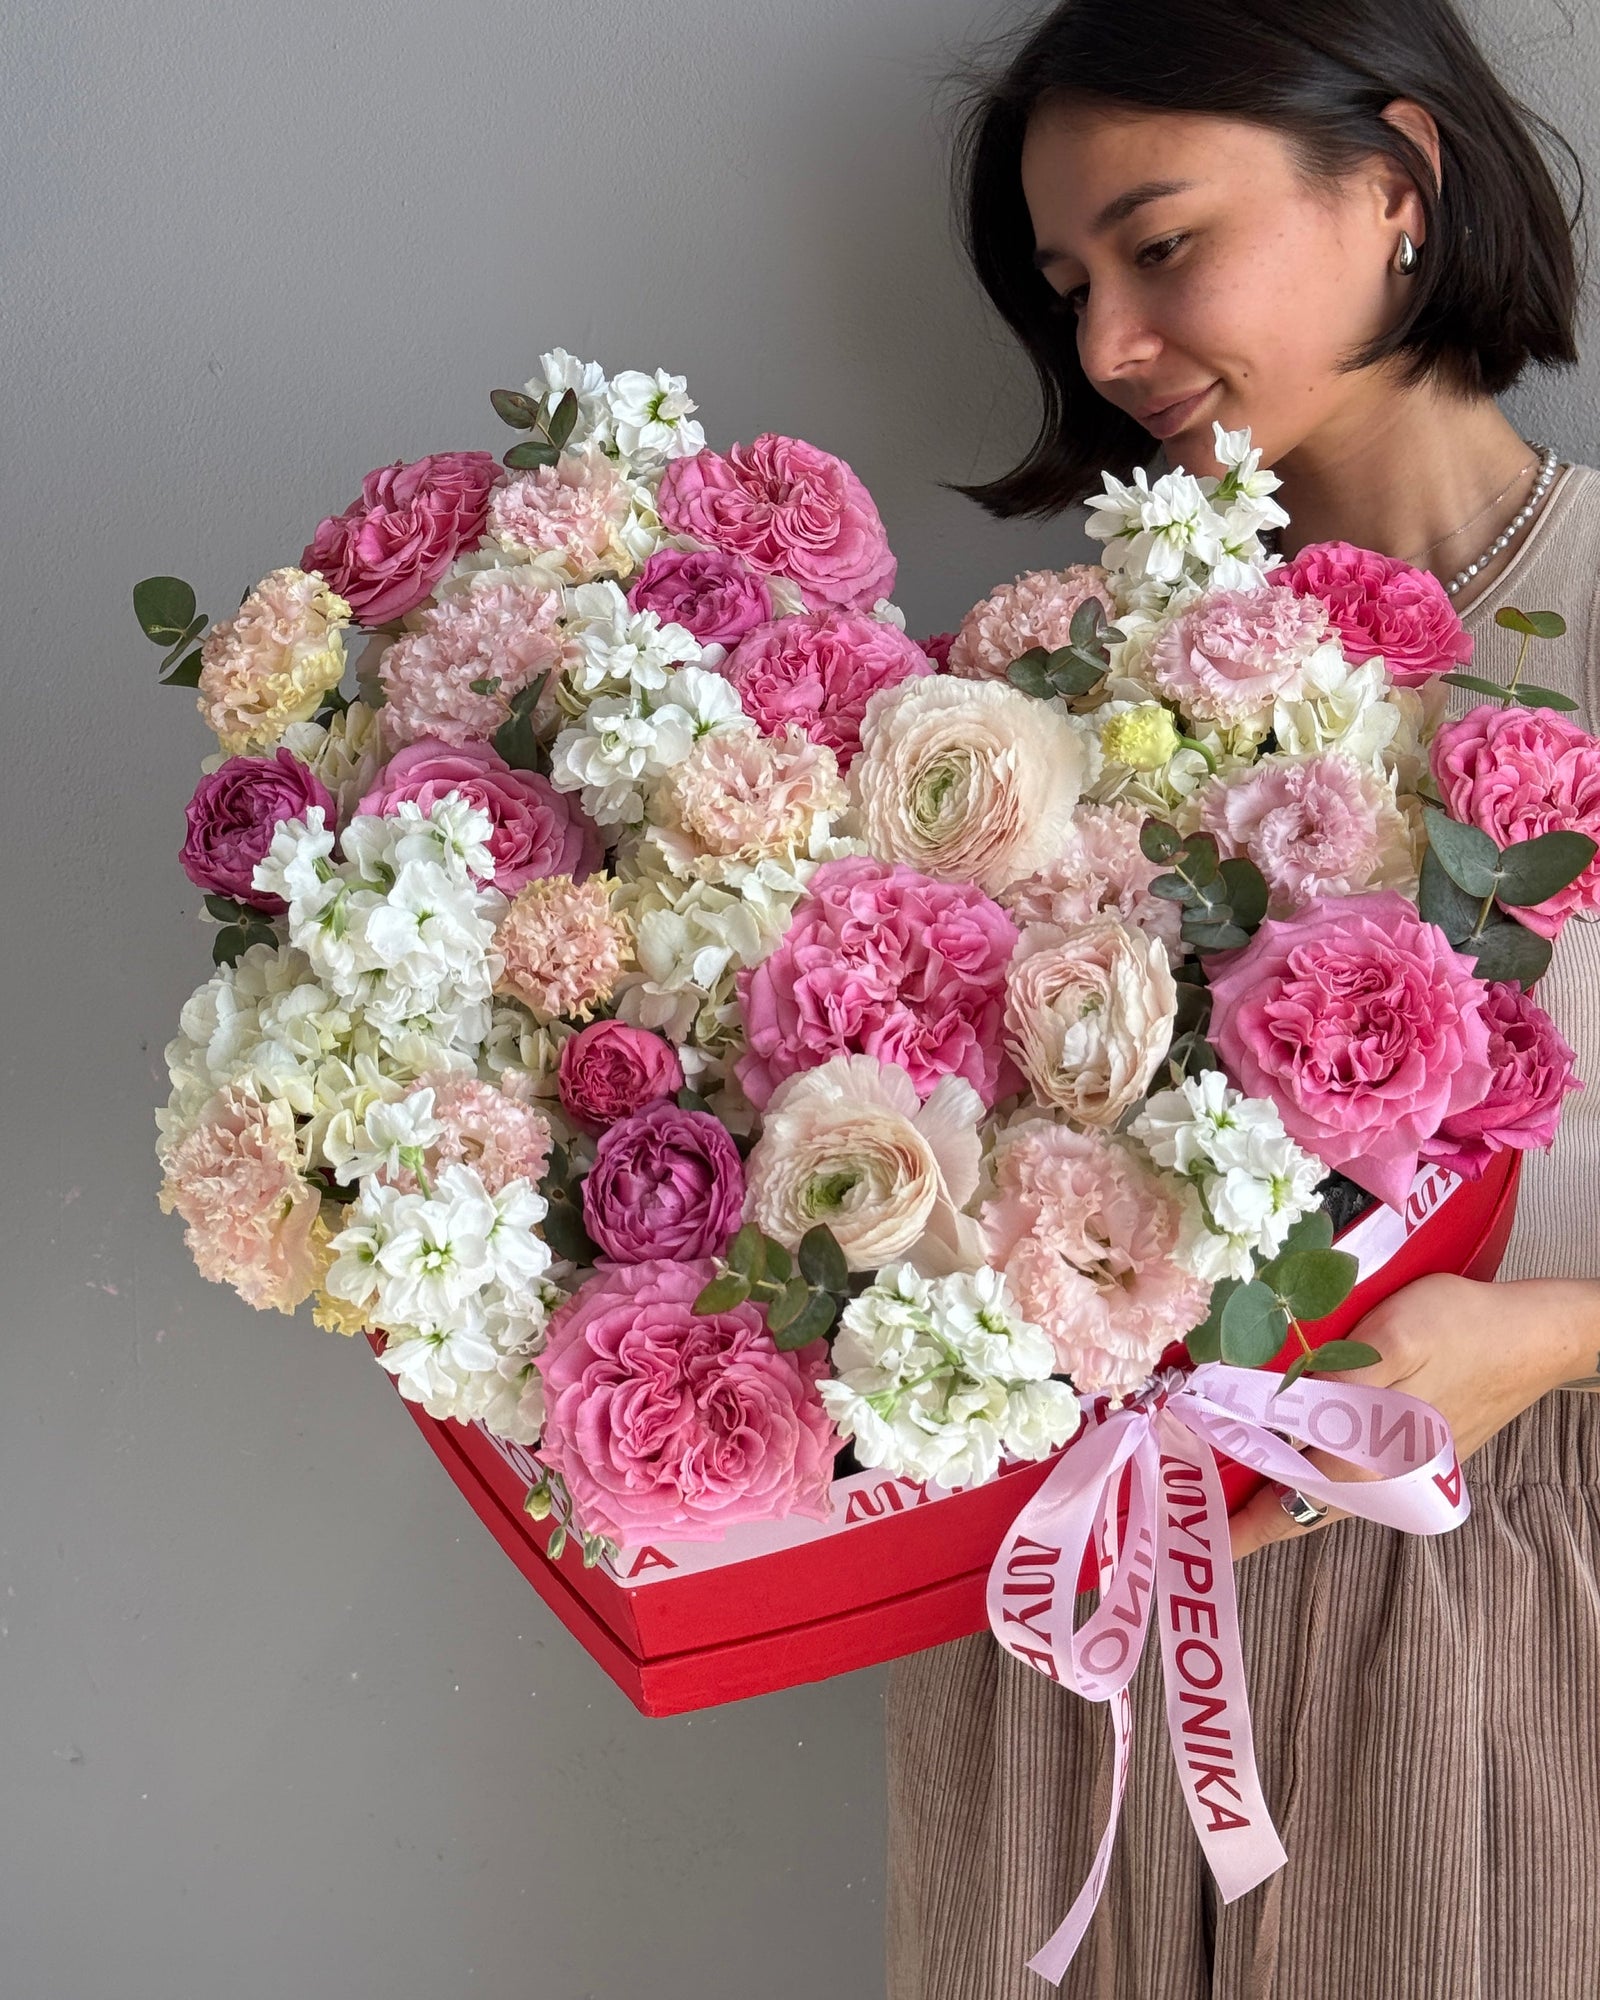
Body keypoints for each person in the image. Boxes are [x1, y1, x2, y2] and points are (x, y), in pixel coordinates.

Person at [886, 3, 1600, 1995]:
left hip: (1504, 1642)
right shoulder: (1049, 692)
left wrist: (1546, 1340)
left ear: (1395, 180)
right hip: (1082, 1651)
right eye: (1069, 288)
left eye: (1162, 244)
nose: (1111, 344)